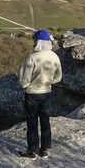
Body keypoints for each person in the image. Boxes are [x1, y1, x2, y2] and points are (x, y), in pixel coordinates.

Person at [17, 29, 62, 159]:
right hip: (46, 93)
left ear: (38, 42)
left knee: (32, 122)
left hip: (32, 94)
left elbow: (24, 79)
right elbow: (58, 77)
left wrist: (25, 86)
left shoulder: (32, 57)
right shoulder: (54, 56)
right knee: (45, 120)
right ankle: (44, 150)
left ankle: (32, 151)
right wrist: (48, 82)